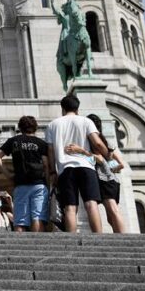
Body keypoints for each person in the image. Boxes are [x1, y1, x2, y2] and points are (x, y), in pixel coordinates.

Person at [45, 95, 109, 233]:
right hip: (86, 166)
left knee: (69, 207)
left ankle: (72, 240)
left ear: (62, 108)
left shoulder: (52, 125)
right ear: (77, 108)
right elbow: (97, 142)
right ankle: (99, 237)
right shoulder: (86, 121)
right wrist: (107, 155)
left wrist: (52, 172)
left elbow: (50, 151)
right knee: (91, 204)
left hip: (65, 169)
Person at [64, 114, 127, 233]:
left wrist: (81, 151)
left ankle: (124, 238)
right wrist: (113, 168)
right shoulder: (103, 140)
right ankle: (120, 236)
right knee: (110, 216)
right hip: (110, 178)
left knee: (113, 210)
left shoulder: (95, 141)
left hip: (104, 179)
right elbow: (116, 163)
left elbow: (99, 159)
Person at [0, 116, 49, 232]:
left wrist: (7, 174)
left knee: (20, 220)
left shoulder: (14, 141)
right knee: (37, 217)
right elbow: (46, 165)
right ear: (36, 128)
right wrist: (48, 183)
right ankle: (38, 247)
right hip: (39, 184)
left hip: (21, 184)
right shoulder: (42, 143)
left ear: (20, 128)